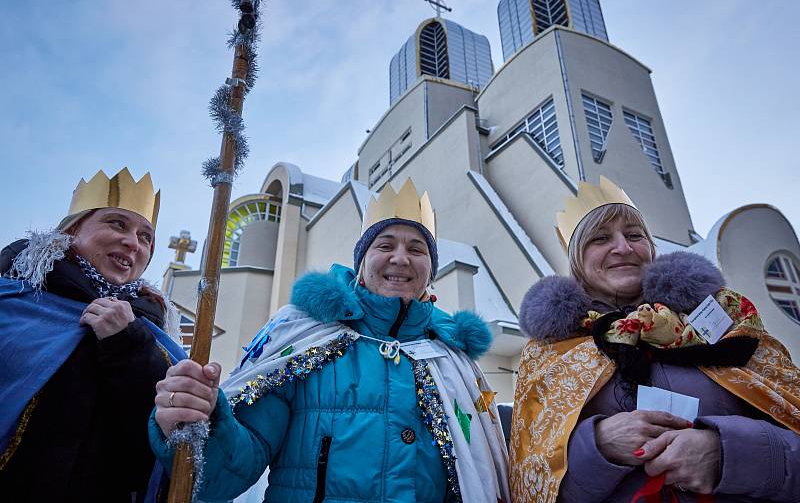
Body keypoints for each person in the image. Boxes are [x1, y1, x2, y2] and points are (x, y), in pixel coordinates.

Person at [150, 178, 510, 502]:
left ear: (430, 271)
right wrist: (203, 421)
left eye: (417, 250)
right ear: (362, 263)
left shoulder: (454, 363)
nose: (400, 259)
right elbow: (229, 471)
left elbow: (478, 477)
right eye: (385, 245)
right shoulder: (302, 337)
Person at [510, 177, 800, 503]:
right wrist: (598, 444)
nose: (623, 247)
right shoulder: (551, 352)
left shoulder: (725, 321)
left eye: (634, 235)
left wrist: (728, 454)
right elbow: (530, 482)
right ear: (577, 261)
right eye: (601, 238)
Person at [0, 168, 184, 503]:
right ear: (72, 230)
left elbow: (157, 445)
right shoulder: (10, 300)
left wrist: (129, 346)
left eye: (146, 237)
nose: (133, 242)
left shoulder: (153, 336)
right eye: (117, 223)